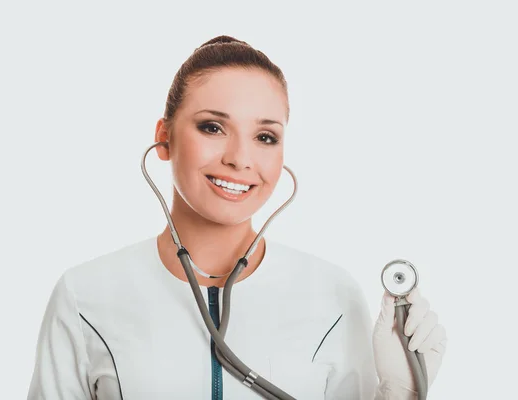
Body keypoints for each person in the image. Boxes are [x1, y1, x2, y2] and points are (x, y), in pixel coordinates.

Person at [27, 35, 447, 399]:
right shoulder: (85, 296)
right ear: (164, 137)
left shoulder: (334, 295)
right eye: (212, 127)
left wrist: (402, 392)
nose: (240, 159)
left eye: (265, 137)